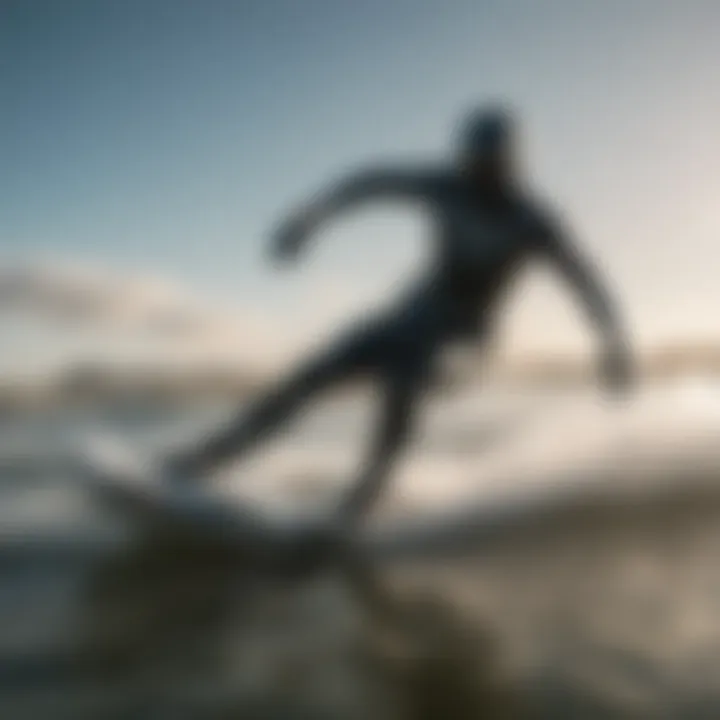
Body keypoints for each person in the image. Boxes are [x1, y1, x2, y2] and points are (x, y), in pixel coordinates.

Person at [163, 105, 633, 538]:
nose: (478, 173)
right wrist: (307, 219)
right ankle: (208, 460)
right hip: (410, 317)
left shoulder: (533, 220)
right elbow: (368, 183)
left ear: (511, 161)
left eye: (490, 163)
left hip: (465, 343)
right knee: (309, 378)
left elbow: (584, 281)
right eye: (473, 161)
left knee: (400, 387)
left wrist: (613, 347)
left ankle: (350, 518)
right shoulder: (445, 186)